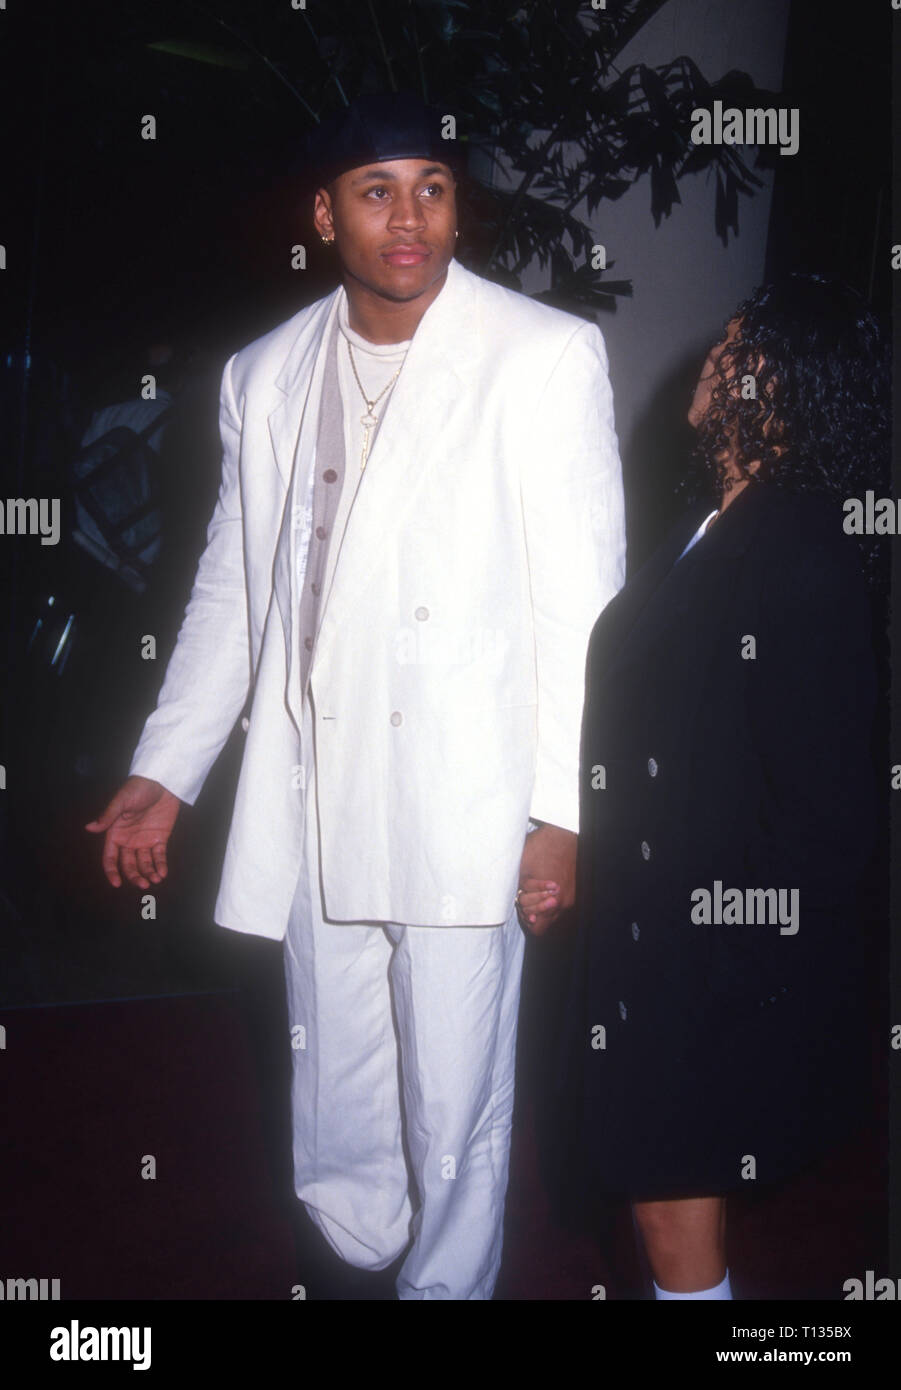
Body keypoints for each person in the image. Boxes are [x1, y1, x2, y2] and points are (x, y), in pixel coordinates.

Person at [85, 91, 626, 1300]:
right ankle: (353, 1271)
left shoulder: (540, 357)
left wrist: (564, 807)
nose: (410, 220)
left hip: (464, 795)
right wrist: (163, 771)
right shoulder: (264, 375)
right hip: (312, 792)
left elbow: (582, 608)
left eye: (431, 188)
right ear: (322, 214)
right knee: (333, 1107)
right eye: (377, 191)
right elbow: (235, 591)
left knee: (454, 1099)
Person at [521, 273, 887, 1300]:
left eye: (734, 346)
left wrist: (727, 962)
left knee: (670, 1215)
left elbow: (827, 821)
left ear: (776, 380)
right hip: (662, 935)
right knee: (669, 1209)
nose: (709, 359)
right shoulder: (714, 521)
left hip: (709, 959)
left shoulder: (800, 554)